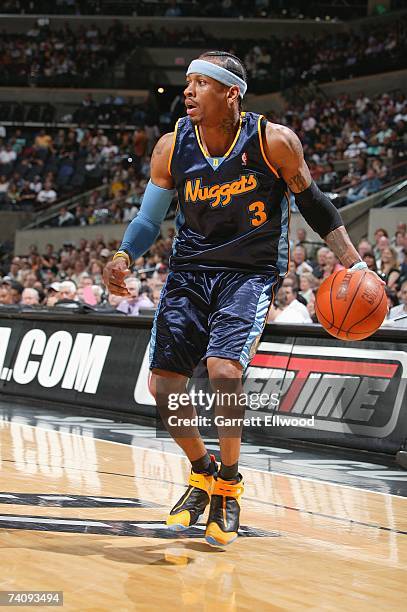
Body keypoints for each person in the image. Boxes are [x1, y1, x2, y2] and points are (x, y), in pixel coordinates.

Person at [103, 51, 376, 547]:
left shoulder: (274, 142)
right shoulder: (171, 146)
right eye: (186, 82)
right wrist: (123, 254)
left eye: (200, 83)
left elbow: (315, 205)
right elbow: (148, 220)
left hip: (249, 273)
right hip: (189, 271)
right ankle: (201, 472)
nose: (187, 91)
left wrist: (354, 264)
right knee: (163, 385)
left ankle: (229, 484)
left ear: (231, 92)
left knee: (225, 371)